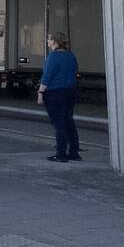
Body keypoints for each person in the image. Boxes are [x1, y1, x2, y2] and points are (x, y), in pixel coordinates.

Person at [38, 32, 80, 162]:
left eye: (49, 40)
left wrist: (40, 93)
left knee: (58, 123)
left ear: (55, 42)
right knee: (68, 122)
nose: (47, 42)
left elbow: (47, 76)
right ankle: (74, 152)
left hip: (54, 93)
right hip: (70, 92)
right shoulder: (70, 56)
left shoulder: (53, 57)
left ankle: (60, 153)